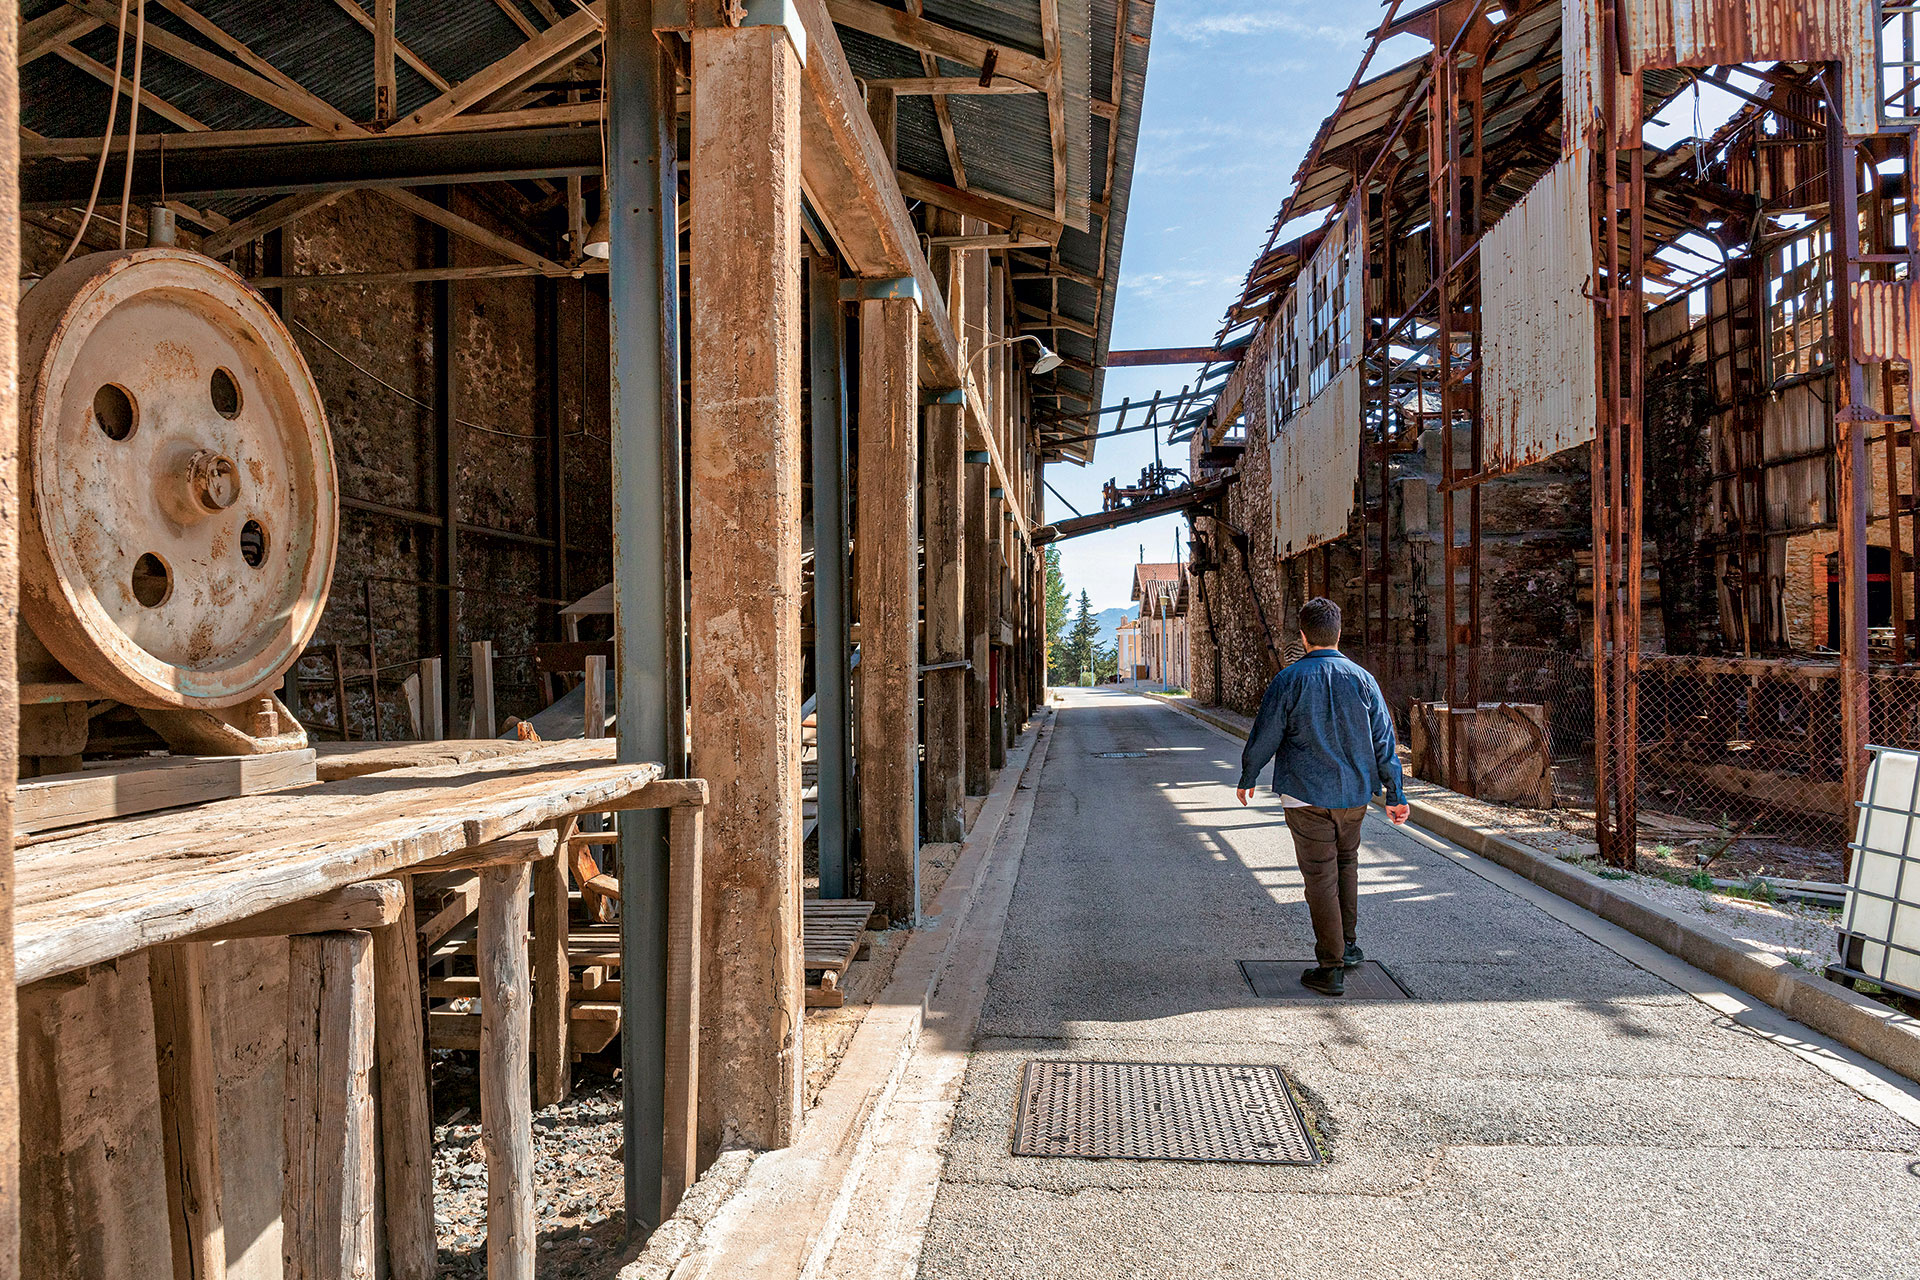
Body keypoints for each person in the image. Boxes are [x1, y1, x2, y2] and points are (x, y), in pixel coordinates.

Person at [1235, 597, 1409, 997]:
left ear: (1302, 636)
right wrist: (1395, 794)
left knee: (1319, 878)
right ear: (1338, 633)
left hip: (1305, 796)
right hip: (1353, 797)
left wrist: (1248, 775)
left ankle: (1330, 967)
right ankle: (1348, 947)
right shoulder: (1364, 680)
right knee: (1347, 865)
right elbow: (1385, 741)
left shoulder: (1289, 680)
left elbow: (1267, 733)